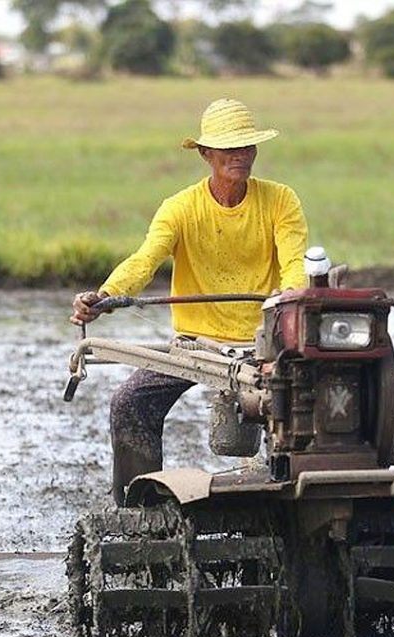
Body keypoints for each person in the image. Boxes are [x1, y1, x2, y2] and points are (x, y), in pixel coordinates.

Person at [70, 98, 308, 505]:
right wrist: (105, 295)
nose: (240, 156)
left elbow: (294, 268)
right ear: (205, 153)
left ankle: (291, 503)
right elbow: (145, 260)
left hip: (265, 344)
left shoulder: (280, 200)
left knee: (302, 409)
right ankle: (139, 509)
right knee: (131, 401)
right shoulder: (180, 208)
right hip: (196, 345)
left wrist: (290, 312)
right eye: (229, 149)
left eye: (247, 147)